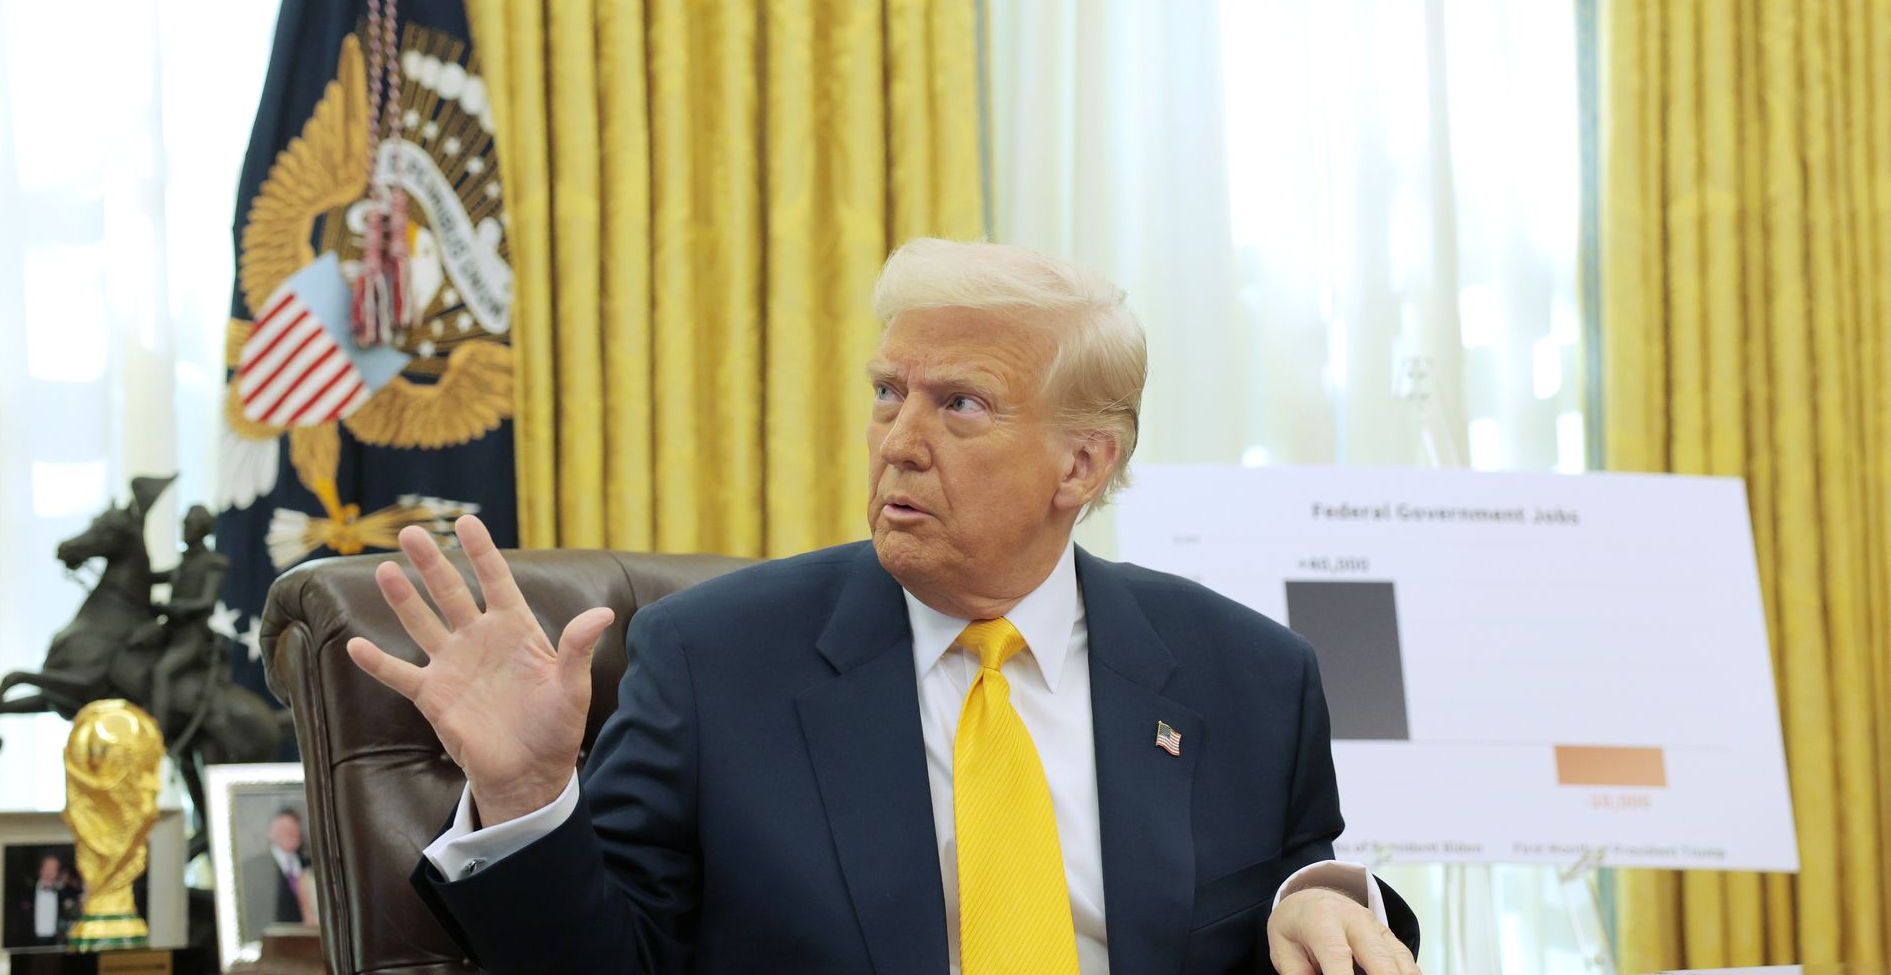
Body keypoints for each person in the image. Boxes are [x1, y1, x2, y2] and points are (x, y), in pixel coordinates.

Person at [350, 240, 1423, 974]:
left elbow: (1297, 895)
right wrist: (531, 800)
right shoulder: (715, 664)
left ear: (1081, 465)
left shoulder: (1246, 677)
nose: (899, 441)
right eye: (887, 393)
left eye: (959, 404)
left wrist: (1324, 898)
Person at [135, 505, 229, 738]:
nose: (185, 528)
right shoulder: (183, 563)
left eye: (190, 524)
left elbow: (206, 602)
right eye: (184, 523)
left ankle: (158, 734)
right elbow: (148, 578)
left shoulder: (213, 563)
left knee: (162, 671)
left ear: (203, 529)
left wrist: (172, 607)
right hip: (170, 630)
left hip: (192, 636)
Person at [242, 808, 312, 933]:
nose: (292, 833)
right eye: (284, 829)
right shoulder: (254, 868)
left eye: (295, 828)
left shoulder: (312, 866)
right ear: (271, 833)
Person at [6, 851, 81, 947]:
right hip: (29, 946)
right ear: (40, 870)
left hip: (56, 947)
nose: (50, 873)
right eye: (47, 868)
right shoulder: (25, 894)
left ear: (58, 872)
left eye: (54, 869)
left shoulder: (66, 894)